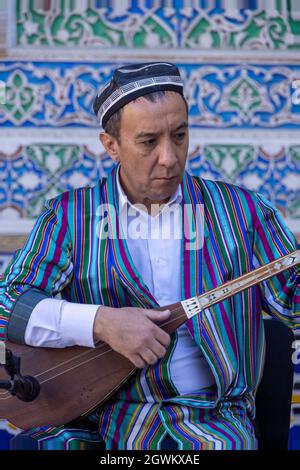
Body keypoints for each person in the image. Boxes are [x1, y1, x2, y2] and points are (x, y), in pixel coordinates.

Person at [0, 62, 299, 451]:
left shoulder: (244, 213)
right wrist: (101, 323)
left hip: (209, 420)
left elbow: (291, 300)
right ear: (111, 145)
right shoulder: (71, 217)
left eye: (179, 136)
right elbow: (8, 305)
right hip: (97, 415)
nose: (170, 158)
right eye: (148, 142)